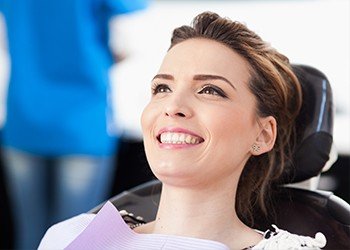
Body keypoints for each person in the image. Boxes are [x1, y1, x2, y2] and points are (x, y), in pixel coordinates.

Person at [38, 12, 327, 249]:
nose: (173, 105)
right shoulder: (69, 237)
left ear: (262, 135)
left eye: (210, 90)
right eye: (162, 88)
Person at [0, 0, 148, 249]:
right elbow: (131, 31)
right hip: (83, 124)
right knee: (78, 240)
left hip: (24, 119)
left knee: (29, 236)